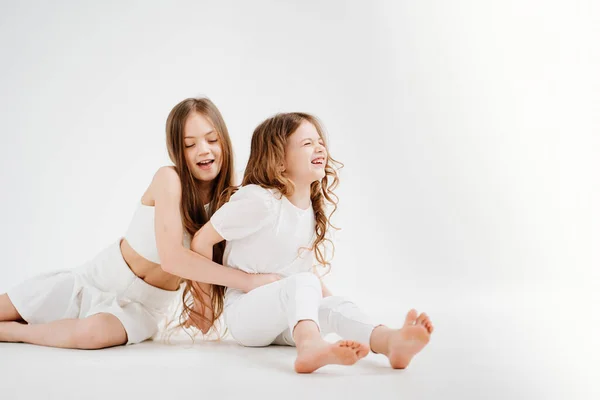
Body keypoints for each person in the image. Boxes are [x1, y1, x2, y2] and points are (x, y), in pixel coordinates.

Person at [0, 97, 279, 349]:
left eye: (212, 139)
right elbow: (172, 259)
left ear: (224, 141)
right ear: (177, 151)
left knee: (92, 336)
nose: (203, 150)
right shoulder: (168, 179)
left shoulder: (234, 199)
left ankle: (13, 333)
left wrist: (208, 307)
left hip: (145, 307)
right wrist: (247, 282)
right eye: (189, 144)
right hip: (99, 279)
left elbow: (212, 267)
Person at [190, 112, 434, 373]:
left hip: (287, 318)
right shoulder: (259, 201)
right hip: (245, 316)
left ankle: (389, 342)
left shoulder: (309, 209)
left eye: (320, 142)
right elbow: (201, 241)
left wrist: (333, 304)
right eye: (307, 143)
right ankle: (310, 346)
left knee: (333, 305)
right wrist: (204, 304)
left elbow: (303, 281)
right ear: (279, 162)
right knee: (306, 282)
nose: (319, 147)